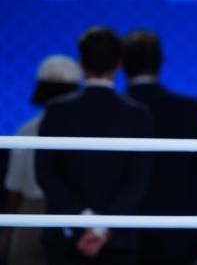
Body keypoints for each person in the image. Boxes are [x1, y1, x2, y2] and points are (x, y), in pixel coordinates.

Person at [35, 27, 153, 265]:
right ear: (119, 64)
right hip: (116, 240)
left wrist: (84, 219)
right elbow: (138, 179)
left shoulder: (57, 111)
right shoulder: (137, 115)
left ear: (81, 64)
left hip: (67, 238)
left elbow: (46, 174)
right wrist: (102, 227)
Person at [121, 30, 197, 265]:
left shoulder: (111, 112)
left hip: (120, 238)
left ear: (122, 64)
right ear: (160, 62)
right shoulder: (188, 110)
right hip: (177, 237)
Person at [1, 55, 81, 265]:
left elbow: (14, 186)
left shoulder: (27, 131)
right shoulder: (85, 132)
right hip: (72, 213)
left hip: (35, 213)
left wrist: (8, 231)